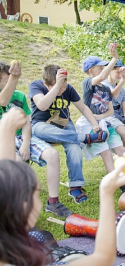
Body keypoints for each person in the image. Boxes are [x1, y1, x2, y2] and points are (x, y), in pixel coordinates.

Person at [0, 151, 125, 266]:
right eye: (37, 193)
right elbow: (103, 257)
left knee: (38, 238)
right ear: (24, 206)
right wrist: (106, 191)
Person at [0, 61, 72, 218]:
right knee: (17, 163)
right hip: (3, 140)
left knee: (52, 154)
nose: (10, 83)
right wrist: (15, 77)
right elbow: (2, 102)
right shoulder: (3, 98)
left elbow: (27, 122)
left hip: (21, 137)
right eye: (7, 80)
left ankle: (52, 203)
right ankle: (17, 209)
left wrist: (26, 143)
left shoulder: (19, 95)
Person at [29, 65, 108, 204]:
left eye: (64, 87)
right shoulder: (36, 86)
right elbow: (42, 105)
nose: (62, 91)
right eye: (60, 87)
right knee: (39, 129)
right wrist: (57, 85)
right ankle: (85, 138)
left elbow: (83, 107)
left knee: (75, 147)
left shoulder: (69, 88)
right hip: (42, 125)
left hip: (64, 124)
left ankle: (75, 186)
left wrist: (95, 124)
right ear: (46, 84)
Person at [77, 45, 125, 191]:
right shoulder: (87, 83)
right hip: (89, 124)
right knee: (107, 153)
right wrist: (114, 58)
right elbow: (102, 77)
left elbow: (109, 110)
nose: (103, 68)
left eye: (104, 66)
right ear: (91, 71)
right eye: (100, 66)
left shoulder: (106, 88)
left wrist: (99, 116)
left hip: (102, 122)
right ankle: (123, 187)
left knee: (121, 149)